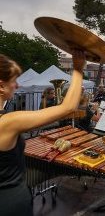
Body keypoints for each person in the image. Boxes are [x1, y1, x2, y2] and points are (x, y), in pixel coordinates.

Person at [0, 51, 85, 216]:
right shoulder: (7, 122)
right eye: (14, 80)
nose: (17, 85)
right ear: (1, 86)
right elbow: (67, 107)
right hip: (10, 203)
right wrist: (78, 69)